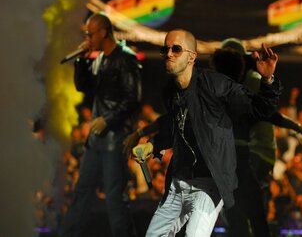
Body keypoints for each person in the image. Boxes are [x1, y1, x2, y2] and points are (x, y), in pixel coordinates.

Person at [124, 29, 281, 236]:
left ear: (192, 57)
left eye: (176, 49)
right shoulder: (171, 91)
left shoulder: (215, 84)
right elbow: (175, 124)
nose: (169, 54)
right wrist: (152, 144)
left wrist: (268, 80)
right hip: (178, 184)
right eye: (166, 49)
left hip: (209, 184)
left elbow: (259, 108)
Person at [211, 38, 302, 237]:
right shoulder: (239, 89)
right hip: (248, 156)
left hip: (236, 159)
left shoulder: (214, 89)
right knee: (252, 215)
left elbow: (267, 111)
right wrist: (268, 80)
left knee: (238, 214)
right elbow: (268, 111)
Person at [60, 13, 142, 237]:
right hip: (96, 141)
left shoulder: (126, 58)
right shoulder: (99, 58)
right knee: (82, 192)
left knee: (115, 197)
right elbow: (83, 86)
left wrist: (108, 119)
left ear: (104, 32)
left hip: (114, 139)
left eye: (90, 33)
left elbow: (132, 98)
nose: (88, 37)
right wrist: (81, 59)